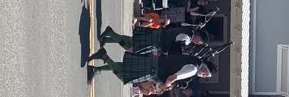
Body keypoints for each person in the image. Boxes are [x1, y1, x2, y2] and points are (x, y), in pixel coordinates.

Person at [87, 49, 217, 89]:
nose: (203, 77)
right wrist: (166, 85)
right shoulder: (193, 69)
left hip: (156, 63)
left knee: (125, 68)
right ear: (205, 70)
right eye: (206, 75)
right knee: (125, 75)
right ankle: (103, 56)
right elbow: (173, 77)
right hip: (155, 69)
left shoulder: (194, 59)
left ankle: (96, 70)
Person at [89, 25, 209, 56]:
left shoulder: (188, 32)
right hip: (158, 41)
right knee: (132, 48)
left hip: (158, 37)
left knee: (132, 40)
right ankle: (110, 33)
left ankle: (108, 39)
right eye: (200, 42)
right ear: (199, 37)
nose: (198, 43)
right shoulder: (186, 38)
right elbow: (175, 45)